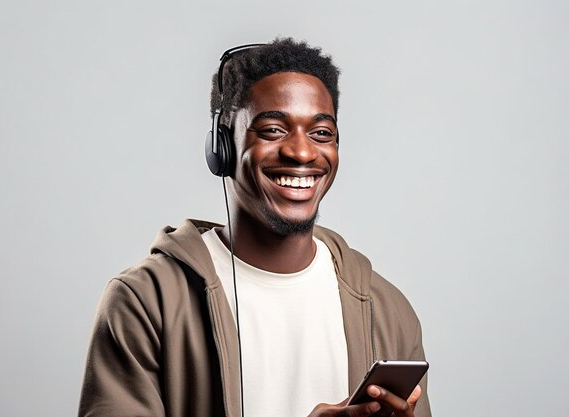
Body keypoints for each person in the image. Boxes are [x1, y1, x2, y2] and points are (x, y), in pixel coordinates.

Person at [78, 38, 431, 417]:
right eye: (274, 130)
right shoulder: (146, 302)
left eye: (321, 133)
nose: (301, 152)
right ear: (222, 148)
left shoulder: (388, 311)